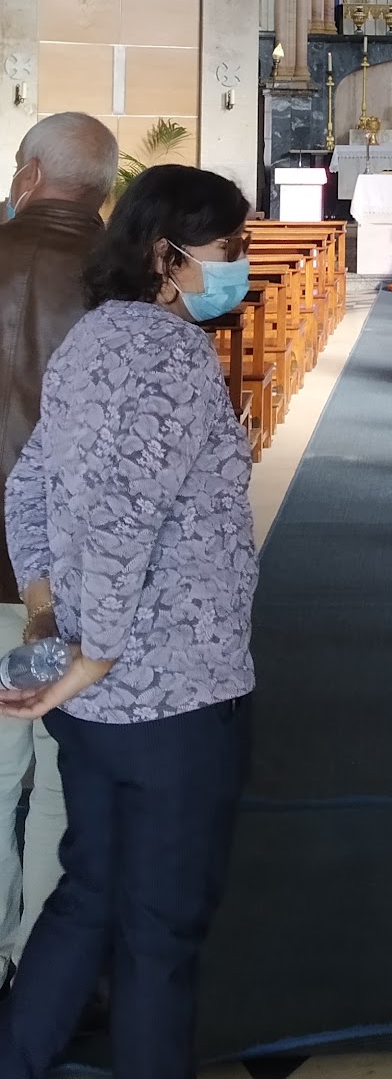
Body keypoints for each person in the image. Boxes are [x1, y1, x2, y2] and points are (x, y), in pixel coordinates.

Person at [0, 165, 258, 1079]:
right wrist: (97, 654)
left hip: (95, 702)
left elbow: (27, 486)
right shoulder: (173, 358)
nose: (240, 264)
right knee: (160, 935)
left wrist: (47, 617)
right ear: (167, 255)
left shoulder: (95, 335)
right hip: (173, 700)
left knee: (89, 897)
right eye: (229, 248)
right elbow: (120, 518)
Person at [0, 112, 119, 992]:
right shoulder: (123, 280)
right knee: (63, 779)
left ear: (31, 176)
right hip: (72, 577)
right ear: (104, 191)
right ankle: (44, 968)